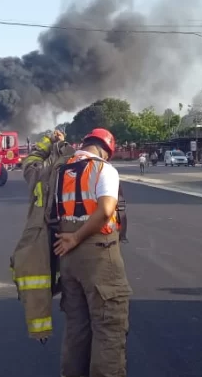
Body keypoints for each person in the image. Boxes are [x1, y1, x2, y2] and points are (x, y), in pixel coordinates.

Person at [54, 128, 132, 377]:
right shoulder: (103, 169)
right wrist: (78, 237)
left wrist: (71, 238)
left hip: (66, 254)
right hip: (98, 253)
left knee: (77, 326)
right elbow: (106, 209)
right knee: (109, 326)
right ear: (105, 149)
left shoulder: (61, 171)